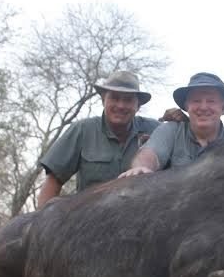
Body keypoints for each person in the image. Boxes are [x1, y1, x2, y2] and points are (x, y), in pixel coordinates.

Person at [36, 71, 160, 207]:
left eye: (128, 100)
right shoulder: (82, 130)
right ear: (103, 100)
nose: (120, 106)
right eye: (114, 98)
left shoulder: (155, 130)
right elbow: (54, 180)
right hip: (91, 215)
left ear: (138, 105)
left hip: (143, 214)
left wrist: (177, 118)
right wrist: (40, 218)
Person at [120, 72, 224, 177]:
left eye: (211, 101)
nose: (203, 107)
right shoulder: (170, 130)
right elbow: (151, 153)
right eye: (196, 101)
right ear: (186, 106)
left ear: (223, 108)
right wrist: (141, 168)